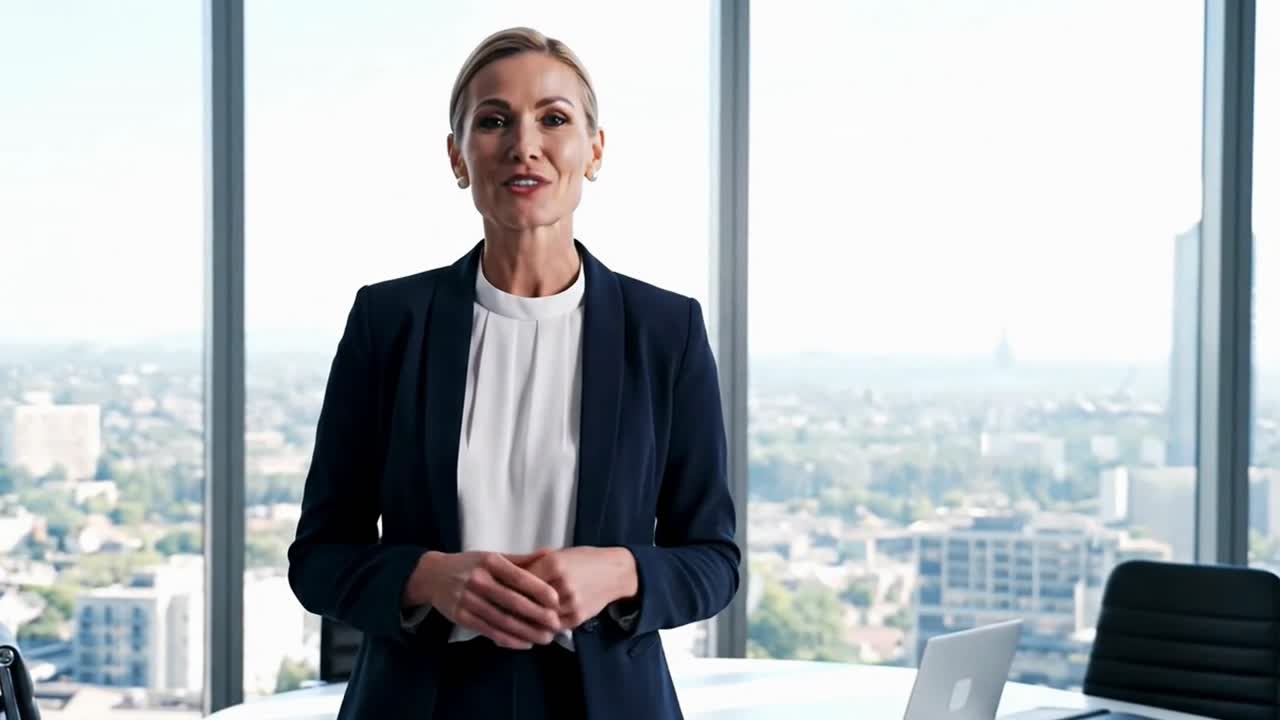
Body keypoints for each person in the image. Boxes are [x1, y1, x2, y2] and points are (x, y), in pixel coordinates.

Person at [286, 26, 740, 720]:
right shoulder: (389, 322)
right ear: (457, 157)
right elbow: (318, 557)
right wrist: (427, 577)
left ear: (594, 149)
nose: (523, 144)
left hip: (605, 701)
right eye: (493, 121)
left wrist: (619, 571)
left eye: (553, 119)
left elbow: (714, 560)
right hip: (420, 702)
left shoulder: (665, 331)